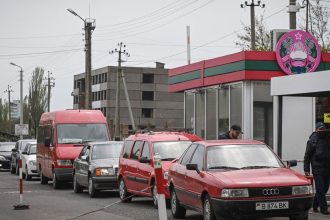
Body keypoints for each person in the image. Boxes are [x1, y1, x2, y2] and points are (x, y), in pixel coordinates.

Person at [303, 122, 330, 215]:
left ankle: (315, 204)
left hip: (327, 168)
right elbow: (307, 156)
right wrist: (306, 169)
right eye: (320, 129)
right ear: (316, 130)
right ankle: (324, 209)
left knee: (325, 188)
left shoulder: (328, 138)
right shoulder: (312, 141)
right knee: (320, 189)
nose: (322, 131)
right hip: (317, 169)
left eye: (323, 129)